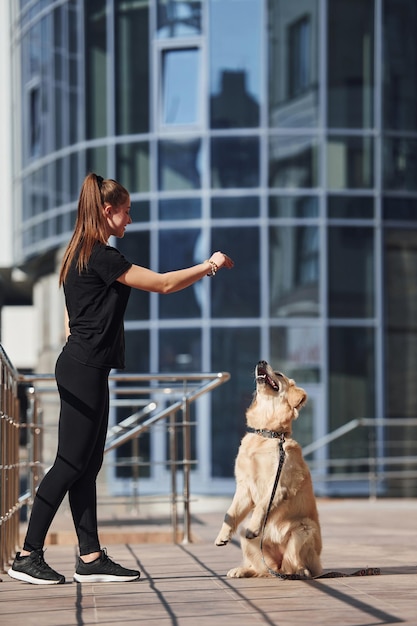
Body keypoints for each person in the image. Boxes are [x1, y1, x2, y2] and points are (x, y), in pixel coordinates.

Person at [8, 172, 234, 585]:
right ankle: (28, 554)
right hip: (84, 368)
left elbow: (70, 318)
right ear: (107, 212)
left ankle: (90, 557)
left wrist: (86, 349)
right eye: (126, 212)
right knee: (70, 463)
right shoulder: (102, 256)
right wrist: (209, 265)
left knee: (87, 464)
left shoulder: (78, 253)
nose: (130, 220)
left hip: (85, 365)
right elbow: (164, 285)